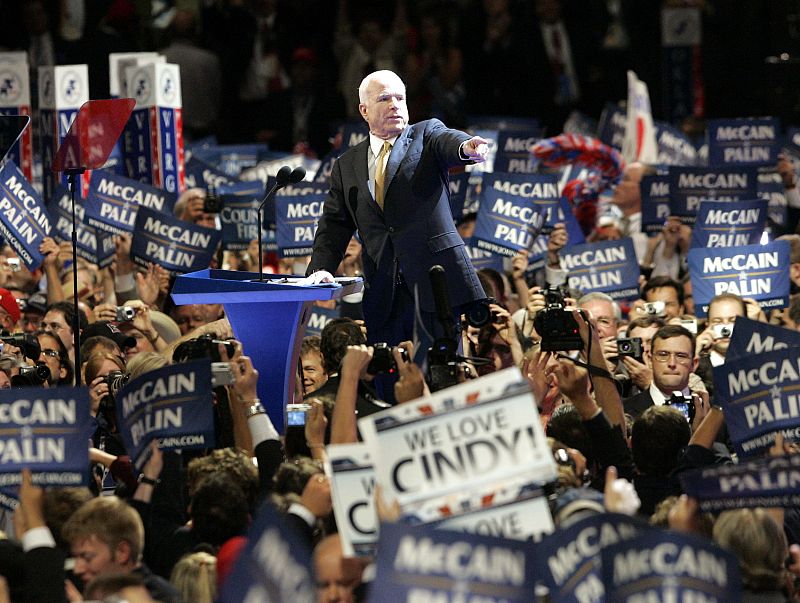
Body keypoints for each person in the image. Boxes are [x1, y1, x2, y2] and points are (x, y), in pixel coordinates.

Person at [306, 70, 489, 347]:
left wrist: (465, 147)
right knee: (388, 384)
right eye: (384, 98)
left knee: (442, 381)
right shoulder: (346, 165)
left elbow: (447, 140)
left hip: (434, 288)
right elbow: (334, 225)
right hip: (384, 296)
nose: (394, 104)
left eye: (399, 97)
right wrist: (320, 268)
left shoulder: (425, 134)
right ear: (364, 110)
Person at [623, 325, 699, 418]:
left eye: (681, 356)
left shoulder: (711, 413)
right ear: (650, 360)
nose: (672, 363)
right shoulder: (623, 411)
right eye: (663, 355)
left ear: (693, 364)